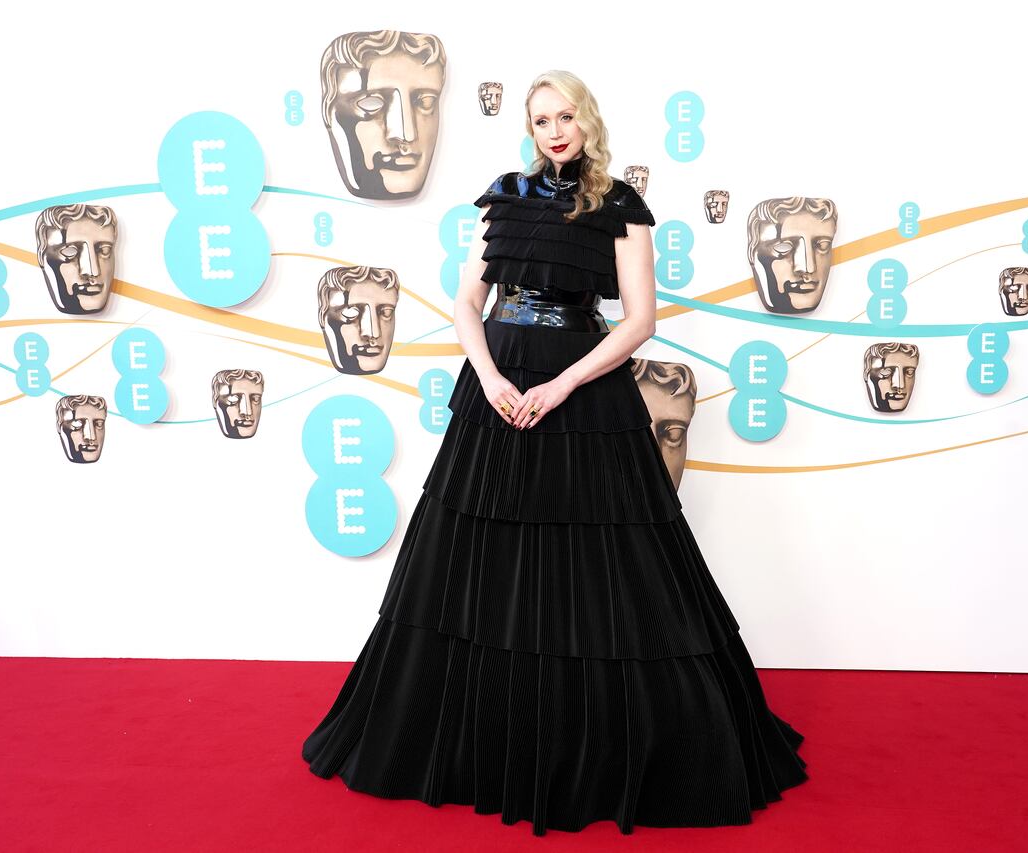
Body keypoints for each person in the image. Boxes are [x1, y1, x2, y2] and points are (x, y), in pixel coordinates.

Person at [301, 69, 808, 836]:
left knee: (605, 567)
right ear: (529, 131)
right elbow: (468, 302)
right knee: (478, 559)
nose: (554, 130)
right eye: (541, 121)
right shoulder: (506, 194)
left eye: (565, 115)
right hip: (497, 389)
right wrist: (491, 374)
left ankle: (595, 740)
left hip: (582, 387)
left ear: (587, 118)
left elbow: (638, 322)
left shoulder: (622, 208)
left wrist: (564, 384)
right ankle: (487, 734)